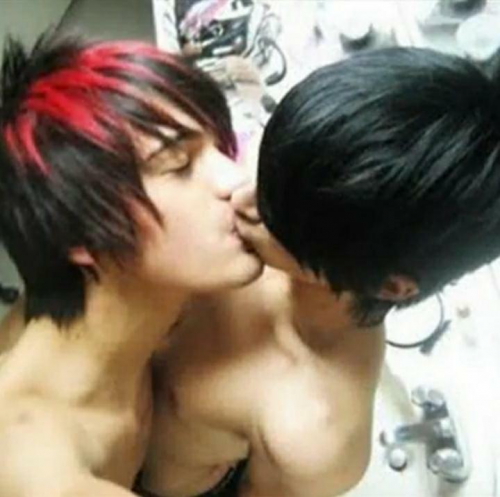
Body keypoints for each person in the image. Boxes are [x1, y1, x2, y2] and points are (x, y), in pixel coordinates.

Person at [140, 47, 500, 497]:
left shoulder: (315, 433)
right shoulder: (294, 195)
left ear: (387, 285)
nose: (239, 198)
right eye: (263, 174)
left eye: (278, 220)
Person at [0, 31, 262, 497]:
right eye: (178, 165)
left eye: (221, 150)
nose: (236, 180)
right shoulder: (39, 467)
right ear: (81, 236)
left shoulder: (120, 304)